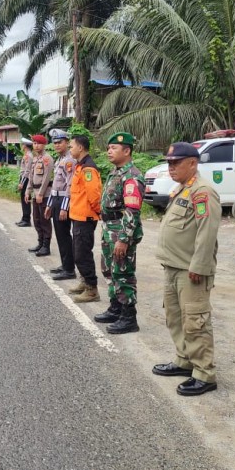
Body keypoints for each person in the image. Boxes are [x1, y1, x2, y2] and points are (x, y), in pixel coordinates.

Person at [153, 142, 221, 396]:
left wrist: (200, 266)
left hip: (190, 269)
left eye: (176, 163)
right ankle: (184, 360)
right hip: (173, 266)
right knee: (175, 317)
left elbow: (207, 231)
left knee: (195, 321)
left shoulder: (202, 191)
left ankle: (204, 373)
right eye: (169, 163)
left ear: (192, 163)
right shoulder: (182, 188)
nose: (171, 168)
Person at [89, 133, 144, 330]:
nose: (109, 151)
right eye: (109, 148)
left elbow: (132, 211)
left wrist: (123, 239)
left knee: (123, 272)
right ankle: (116, 308)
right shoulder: (116, 173)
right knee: (110, 270)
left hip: (120, 231)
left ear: (127, 151)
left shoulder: (132, 176)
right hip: (108, 229)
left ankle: (129, 318)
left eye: (114, 148)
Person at [67, 135, 102, 301]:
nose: (70, 148)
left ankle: (92, 289)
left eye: (72, 146)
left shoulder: (88, 169)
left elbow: (94, 195)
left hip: (85, 218)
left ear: (80, 148)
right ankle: (84, 281)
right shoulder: (80, 166)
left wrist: (97, 212)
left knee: (83, 254)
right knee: (78, 252)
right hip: (78, 216)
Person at [46, 129, 76, 279]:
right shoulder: (59, 160)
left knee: (64, 236)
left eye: (60, 142)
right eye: (55, 142)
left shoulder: (70, 161)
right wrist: (49, 204)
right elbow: (55, 186)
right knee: (60, 235)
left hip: (64, 202)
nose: (57, 145)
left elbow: (69, 186)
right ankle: (65, 265)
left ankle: (69, 269)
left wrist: (64, 208)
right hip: (56, 200)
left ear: (67, 143)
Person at [25, 134, 52, 257]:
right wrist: (27, 191)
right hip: (35, 194)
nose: (36, 146)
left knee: (44, 220)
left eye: (39, 143)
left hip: (44, 194)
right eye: (34, 143)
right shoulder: (35, 159)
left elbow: (46, 178)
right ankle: (40, 243)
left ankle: (46, 246)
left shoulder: (47, 159)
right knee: (36, 219)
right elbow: (31, 177)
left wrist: (40, 193)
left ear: (44, 144)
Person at [15, 138, 33, 227]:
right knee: (23, 199)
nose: (21, 146)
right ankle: (24, 218)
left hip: (26, 180)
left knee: (25, 199)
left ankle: (26, 219)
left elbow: (27, 171)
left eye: (22, 145)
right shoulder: (27, 155)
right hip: (24, 179)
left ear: (25, 146)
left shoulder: (28, 156)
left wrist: (21, 183)